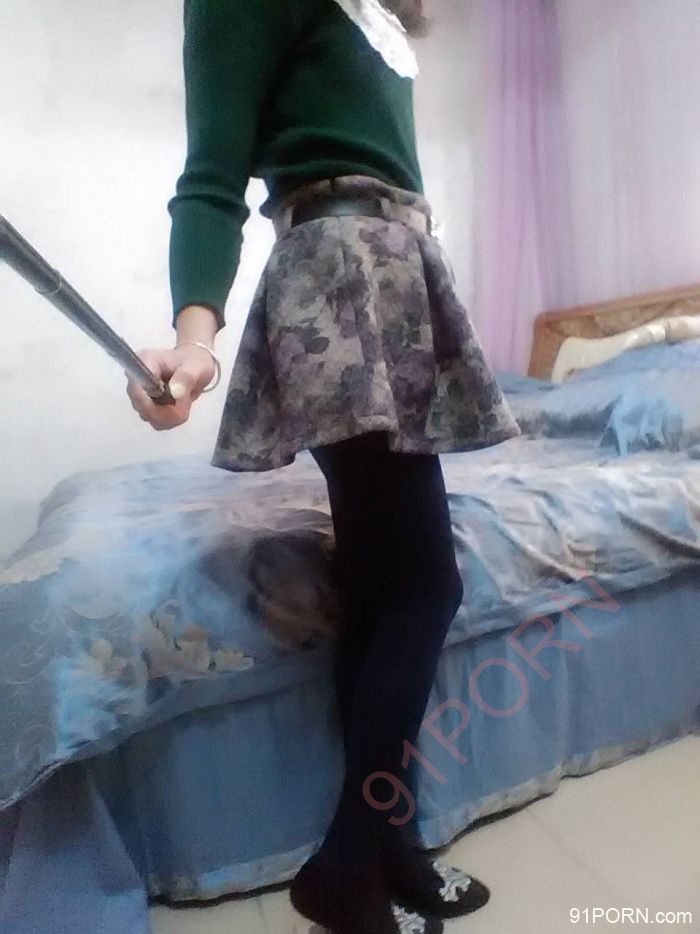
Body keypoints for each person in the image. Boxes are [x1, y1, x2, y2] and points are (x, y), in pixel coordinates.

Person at [126, 1, 521, 932]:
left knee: (382, 592)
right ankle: (345, 864)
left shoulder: (378, 16)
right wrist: (195, 340)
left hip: (397, 270)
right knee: (428, 588)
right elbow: (212, 177)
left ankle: (392, 846)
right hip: (342, 275)